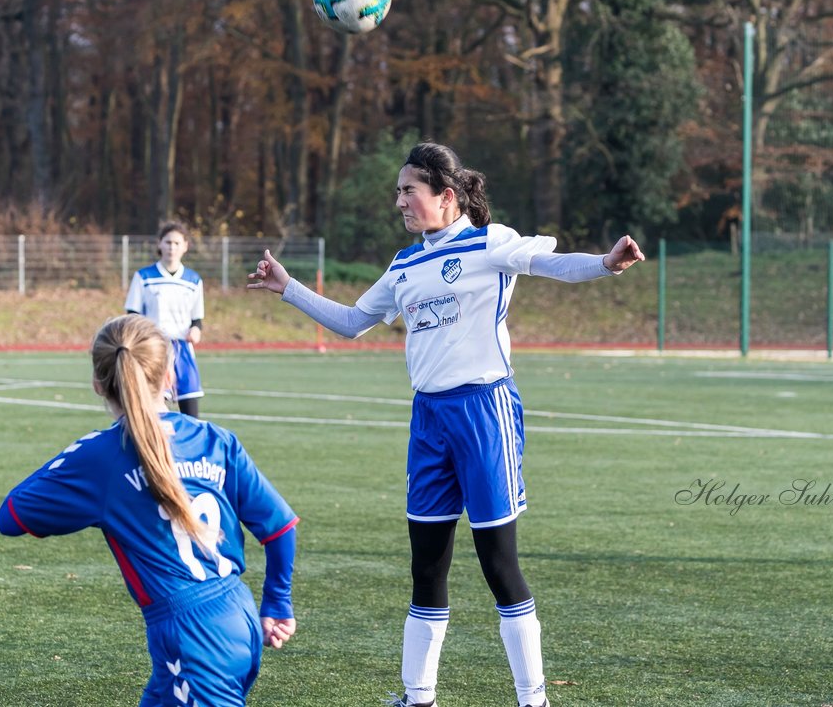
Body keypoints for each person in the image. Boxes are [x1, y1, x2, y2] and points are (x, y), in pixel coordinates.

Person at [247, 142, 645, 707]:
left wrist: (605, 265)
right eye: (399, 191)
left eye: (409, 190)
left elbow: (552, 264)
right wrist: (288, 288)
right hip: (428, 420)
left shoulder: (490, 243)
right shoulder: (405, 264)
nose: (400, 201)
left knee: (498, 563)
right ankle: (418, 697)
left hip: (484, 413)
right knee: (426, 567)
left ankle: (533, 699)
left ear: (446, 195)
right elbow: (354, 321)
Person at [0, 314, 298, 705]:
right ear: (170, 377)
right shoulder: (215, 439)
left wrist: (80, 458)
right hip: (237, 616)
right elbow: (279, 527)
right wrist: (276, 600)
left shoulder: (102, 456)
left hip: (192, 641)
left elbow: (11, 516)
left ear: (98, 385)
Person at [125, 221, 207, 418]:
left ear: (185, 246)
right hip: (155, 347)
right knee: (155, 409)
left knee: (191, 411)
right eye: (168, 242)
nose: (172, 247)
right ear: (159, 244)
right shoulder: (144, 277)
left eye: (177, 243)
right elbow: (132, 315)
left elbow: (197, 319)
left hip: (183, 349)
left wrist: (196, 330)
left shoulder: (193, 280)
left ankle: (190, 447)